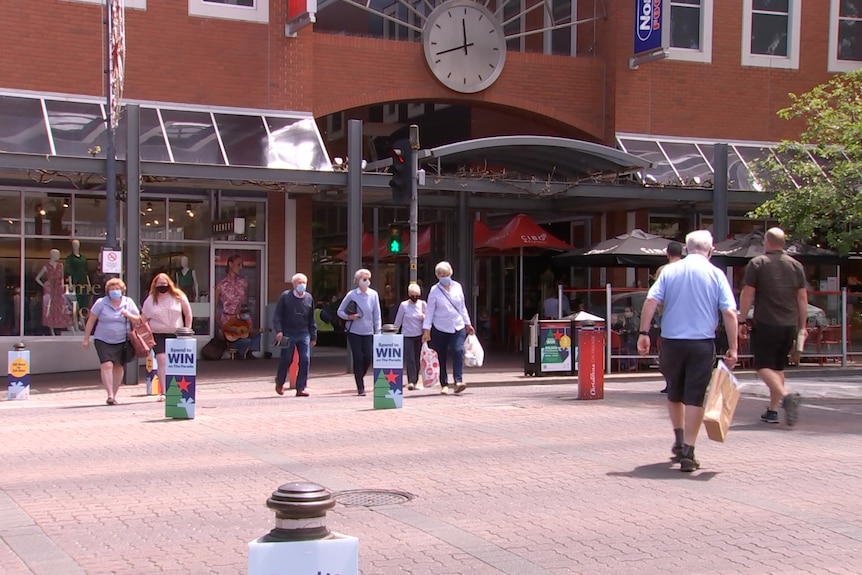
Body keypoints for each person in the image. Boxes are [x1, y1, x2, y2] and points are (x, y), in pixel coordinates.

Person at [637, 230, 738, 472]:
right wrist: (733, 347)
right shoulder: (716, 274)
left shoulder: (670, 271)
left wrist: (643, 332)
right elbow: (729, 312)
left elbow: (651, 301)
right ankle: (689, 451)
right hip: (701, 343)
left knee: (674, 391)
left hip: (671, 341)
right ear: (710, 250)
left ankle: (679, 438)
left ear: (686, 248)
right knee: (695, 396)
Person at [737, 227, 805, 426]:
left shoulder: (758, 263)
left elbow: (748, 293)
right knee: (777, 366)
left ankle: (785, 396)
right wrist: (802, 326)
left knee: (762, 365)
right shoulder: (796, 266)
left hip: (767, 322)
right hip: (789, 323)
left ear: (766, 241)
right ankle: (773, 410)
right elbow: (802, 298)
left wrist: (741, 319)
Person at [81, 278, 142, 406]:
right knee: (107, 365)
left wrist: (128, 315)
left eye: (117, 289)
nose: (115, 291)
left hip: (122, 340)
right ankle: (109, 394)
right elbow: (91, 320)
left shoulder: (128, 302)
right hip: (103, 339)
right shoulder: (101, 303)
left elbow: (138, 319)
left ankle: (114, 394)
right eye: (112, 289)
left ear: (122, 290)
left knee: (119, 367)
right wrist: (86, 338)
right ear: (108, 291)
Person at [422, 261, 474, 395]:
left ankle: (458, 381)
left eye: (446, 274)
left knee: (458, 350)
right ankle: (444, 383)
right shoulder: (435, 290)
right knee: (441, 356)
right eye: (441, 275)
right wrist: (426, 329)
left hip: (457, 325)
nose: (444, 277)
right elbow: (430, 311)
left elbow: (462, 307)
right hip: (440, 327)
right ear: (437, 276)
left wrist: (468, 324)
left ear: (450, 273)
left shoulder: (458, 287)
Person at [141, 273, 193, 401]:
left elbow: (187, 313)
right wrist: (146, 335)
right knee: (162, 359)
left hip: (177, 333)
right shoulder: (151, 299)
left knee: (175, 362)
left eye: (164, 284)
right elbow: (143, 319)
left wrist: (187, 330)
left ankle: (178, 388)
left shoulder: (178, 296)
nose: (162, 287)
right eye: (159, 285)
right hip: (158, 334)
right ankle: (164, 391)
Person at [337, 268, 381, 396]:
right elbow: (340, 311)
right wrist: (349, 317)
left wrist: (377, 330)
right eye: (364, 279)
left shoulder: (373, 294)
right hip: (354, 331)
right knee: (358, 357)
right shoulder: (352, 295)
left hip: (368, 331)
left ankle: (359, 375)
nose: (367, 281)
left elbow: (377, 314)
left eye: (368, 279)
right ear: (358, 281)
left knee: (367, 357)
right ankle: (360, 386)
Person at [273, 273, 317, 397]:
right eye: (299, 282)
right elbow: (277, 315)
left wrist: (313, 335)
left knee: (305, 359)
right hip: (288, 332)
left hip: (303, 333)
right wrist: (279, 331)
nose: (302, 285)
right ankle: (280, 382)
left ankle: (300, 387)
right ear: (293, 284)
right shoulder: (285, 297)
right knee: (287, 359)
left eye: (304, 283)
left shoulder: (308, 298)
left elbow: (311, 318)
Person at [393, 283, 425, 391]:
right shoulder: (404, 305)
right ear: (409, 294)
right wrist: (394, 332)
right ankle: (411, 380)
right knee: (410, 358)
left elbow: (429, 319)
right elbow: (398, 320)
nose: (415, 297)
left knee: (417, 359)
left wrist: (424, 317)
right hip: (407, 335)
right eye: (413, 295)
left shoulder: (423, 304)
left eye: (417, 295)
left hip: (419, 335)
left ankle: (415, 379)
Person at [35, 248, 72, 335]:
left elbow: (62, 278)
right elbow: (37, 278)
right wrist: (44, 285)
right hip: (51, 290)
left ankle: (68, 328)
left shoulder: (60, 265)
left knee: (62, 308)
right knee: (51, 309)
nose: (59, 256)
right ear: (53, 255)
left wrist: (63, 285)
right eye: (57, 254)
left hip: (59, 290)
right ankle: (52, 331)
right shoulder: (46, 267)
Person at [214, 254, 248, 335]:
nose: (240, 268)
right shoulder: (221, 285)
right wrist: (221, 325)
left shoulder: (243, 284)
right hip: (226, 321)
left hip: (240, 321)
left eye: (242, 265)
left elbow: (245, 304)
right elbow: (213, 308)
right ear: (230, 264)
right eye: (238, 265)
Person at [612, 305, 640, 371]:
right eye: (625, 311)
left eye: (627, 311)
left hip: (634, 339)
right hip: (628, 339)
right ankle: (626, 365)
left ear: (632, 312)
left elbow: (634, 330)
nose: (625, 313)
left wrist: (627, 330)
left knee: (626, 348)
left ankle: (633, 364)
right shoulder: (627, 320)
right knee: (621, 348)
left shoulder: (635, 320)